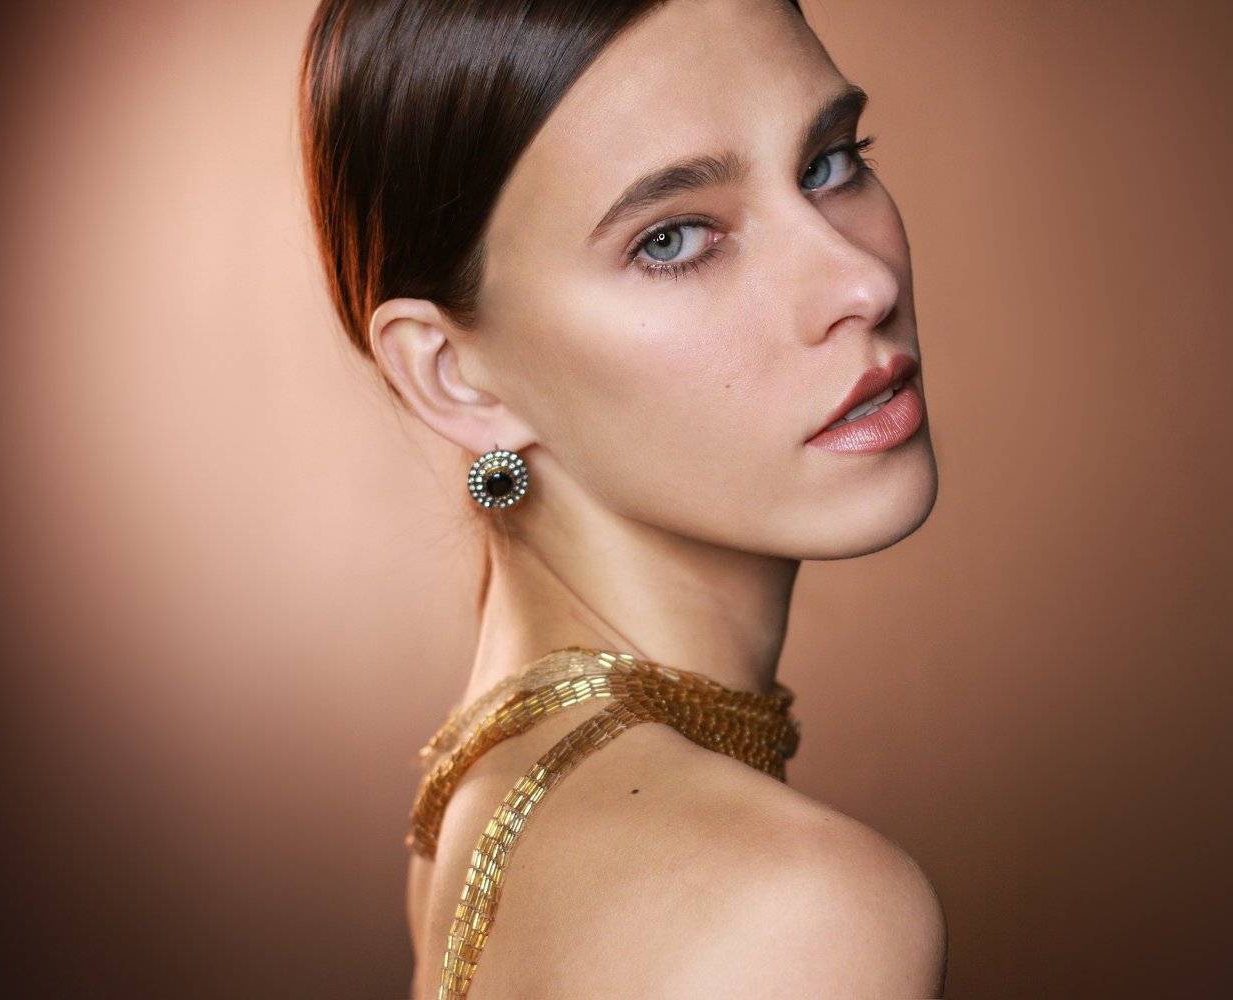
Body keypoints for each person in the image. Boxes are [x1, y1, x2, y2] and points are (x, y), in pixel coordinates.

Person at [298, 0, 946, 996]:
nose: (860, 283)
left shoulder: (490, 789)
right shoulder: (792, 910)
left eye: (828, 162)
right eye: (673, 240)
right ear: (454, 377)